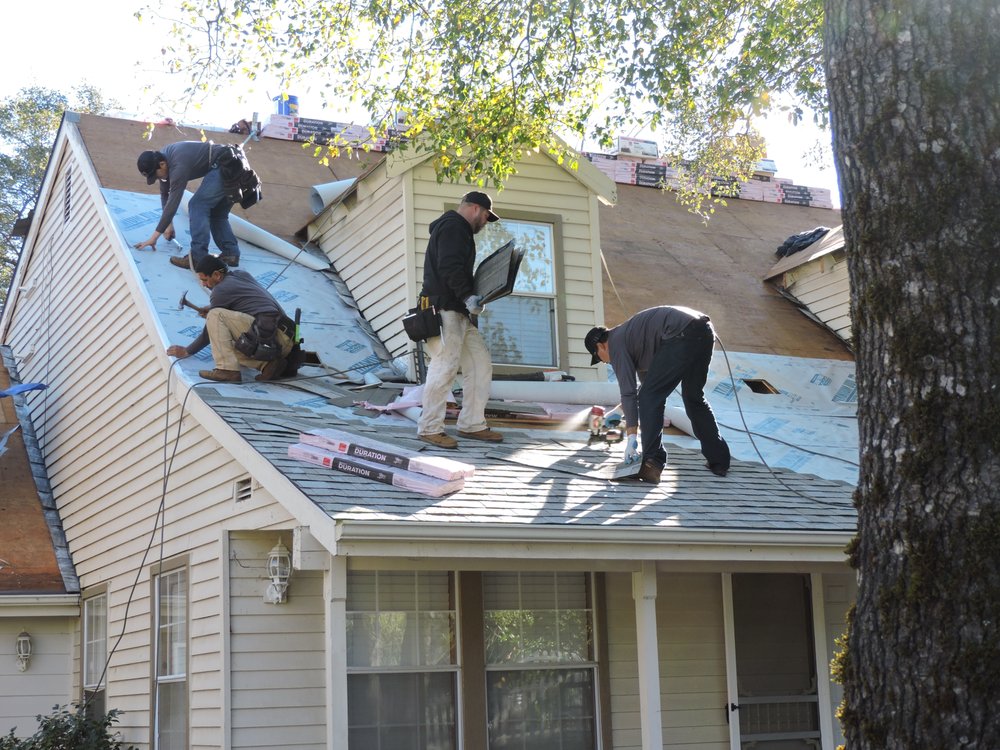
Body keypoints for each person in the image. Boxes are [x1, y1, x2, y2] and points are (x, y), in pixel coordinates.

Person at [585, 306, 730, 483]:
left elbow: (631, 393)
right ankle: (719, 460)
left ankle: (652, 462)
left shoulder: (616, 344)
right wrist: (620, 411)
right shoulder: (635, 341)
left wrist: (631, 437)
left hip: (681, 334)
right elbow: (647, 387)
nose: (604, 362)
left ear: (600, 346)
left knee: (651, 399)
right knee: (693, 397)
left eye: (599, 358)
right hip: (703, 331)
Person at [416, 192, 505, 449]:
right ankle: (429, 428)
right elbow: (450, 266)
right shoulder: (454, 227)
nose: (486, 222)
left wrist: (468, 301)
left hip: (458, 312)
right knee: (445, 366)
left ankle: (472, 424)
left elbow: (453, 268)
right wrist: (468, 296)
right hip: (443, 309)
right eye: (487, 216)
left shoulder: (457, 230)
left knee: (479, 363)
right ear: (476, 209)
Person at [166, 256, 294, 383]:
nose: (203, 284)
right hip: (285, 338)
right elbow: (246, 301)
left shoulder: (220, 290)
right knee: (226, 344)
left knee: (215, 315)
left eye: (205, 279)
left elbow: (208, 334)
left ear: (216, 275)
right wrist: (211, 307)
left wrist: (187, 351)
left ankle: (227, 371)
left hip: (274, 338)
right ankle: (268, 365)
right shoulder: (241, 274)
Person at [134, 141, 241, 269]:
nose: (157, 178)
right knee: (217, 214)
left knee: (197, 205)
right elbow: (165, 194)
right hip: (234, 163)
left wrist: (153, 238)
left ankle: (197, 258)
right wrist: (169, 225)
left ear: (162, 165)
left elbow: (173, 203)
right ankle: (231, 253)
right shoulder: (162, 159)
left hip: (226, 164)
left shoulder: (178, 165)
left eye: (156, 175)